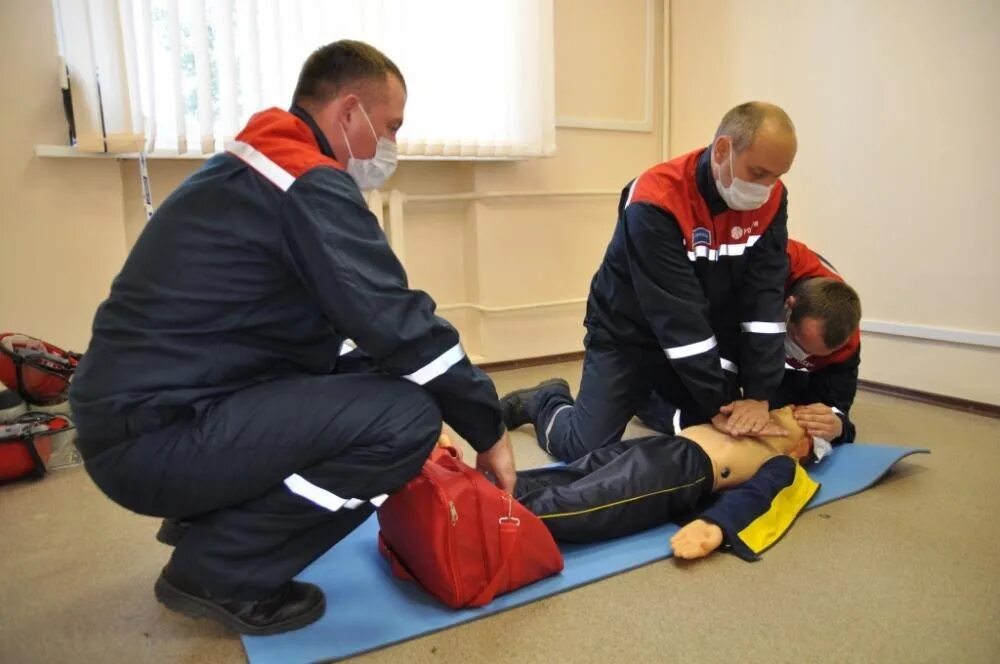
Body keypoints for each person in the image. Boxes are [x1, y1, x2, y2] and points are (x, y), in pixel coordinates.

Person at [69, 40, 515, 636]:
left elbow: (344, 335)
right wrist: (489, 429)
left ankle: (214, 525)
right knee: (403, 421)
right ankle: (222, 568)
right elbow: (400, 324)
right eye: (390, 127)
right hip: (152, 442)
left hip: (143, 420)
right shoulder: (305, 181)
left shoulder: (258, 167)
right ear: (349, 112)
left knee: (375, 381)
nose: (392, 147)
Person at [502, 102, 798, 463]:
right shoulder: (655, 200)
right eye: (758, 172)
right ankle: (544, 399)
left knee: (726, 421)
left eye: (777, 176)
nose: (766, 188)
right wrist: (723, 406)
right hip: (629, 333)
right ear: (723, 150)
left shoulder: (773, 198)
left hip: (701, 330)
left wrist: (757, 395)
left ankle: (647, 398)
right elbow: (679, 319)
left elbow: (764, 299)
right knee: (585, 449)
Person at [514, 407, 817, 561]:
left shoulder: (782, 461)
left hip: (685, 467)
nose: (792, 409)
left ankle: (487, 518)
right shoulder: (758, 415)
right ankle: (481, 490)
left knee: (584, 503)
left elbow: (762, 494)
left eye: (796, 416)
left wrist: (717, 524)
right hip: (666, 446)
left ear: (802, 447)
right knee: (569, 477)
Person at [639, 238, 862, 446]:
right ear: (789, 306)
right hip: (698, 317)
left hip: (766, 323)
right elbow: (700, 341)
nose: (799, 356)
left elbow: (834, 403)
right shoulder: (759, 269)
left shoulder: (844, 337)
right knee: (712, 413)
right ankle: (647, 401)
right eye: (796, 340)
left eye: (811, 354)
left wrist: (837, 424)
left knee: (783, 416)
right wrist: (713, 410)